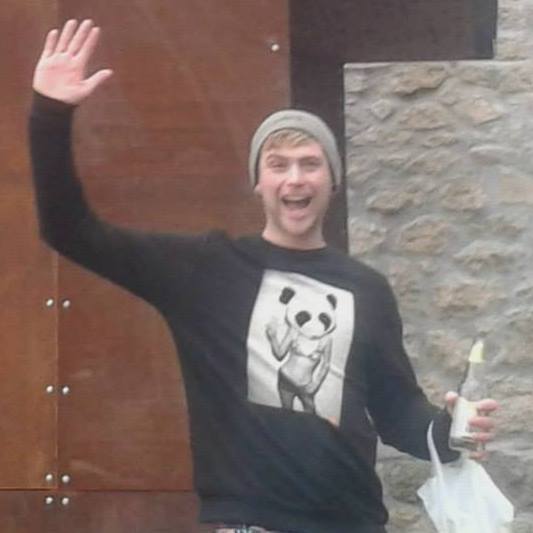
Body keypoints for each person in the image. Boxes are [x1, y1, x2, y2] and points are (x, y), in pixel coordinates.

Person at [29, 19, 498, 533]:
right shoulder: (206, 271)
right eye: (278, 165)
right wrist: (50, 114)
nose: (294, 178)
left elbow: (396, 410)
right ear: (258, 182)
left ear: (332, 180)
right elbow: (69, 230)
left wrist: (447, 432)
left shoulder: (366, 288)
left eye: (310, 163)